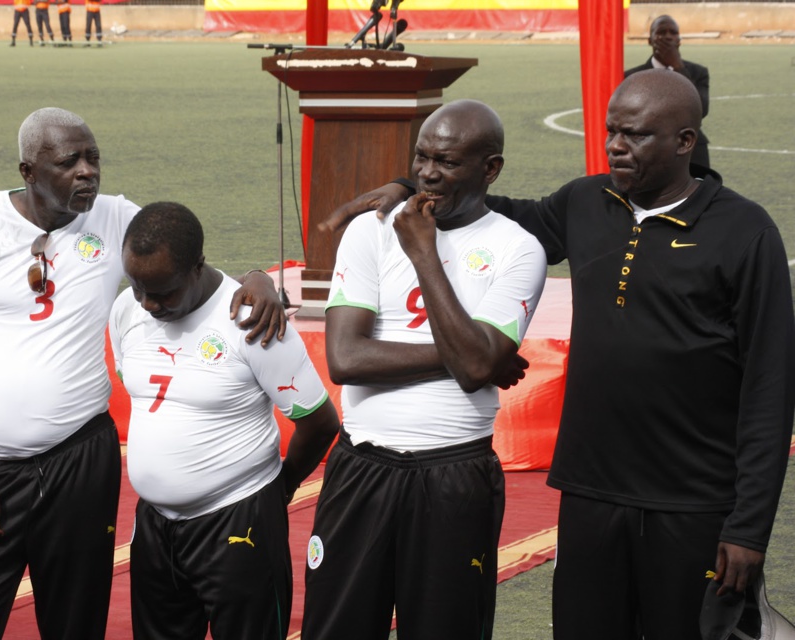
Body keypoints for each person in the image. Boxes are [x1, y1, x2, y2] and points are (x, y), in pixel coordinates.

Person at [323, 70, 795, 639]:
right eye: (611, 132)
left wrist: (748, 530)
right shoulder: (585, 202)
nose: (616, 146)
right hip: (590, 494)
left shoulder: (745, 232)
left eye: (636, 135)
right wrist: (409, 183)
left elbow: (770, 388)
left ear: (684, 142)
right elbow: (479, 205)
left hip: (693, 502)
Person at [0, 107, 286, 640]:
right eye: (69, 161)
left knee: (76, 624)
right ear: (28, 172)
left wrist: (257, 278)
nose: (87, 172)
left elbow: (188, 260)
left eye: (93, 158)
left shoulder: (114, 218)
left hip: (80, 464)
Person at [301, 100, 547, 640]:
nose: (428, 173)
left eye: (447, 161)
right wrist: (472, 356)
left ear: (491, 169)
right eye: (422, 157)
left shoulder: (518, 249)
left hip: (454, 473)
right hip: (361, 467)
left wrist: (424, 255)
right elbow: (347, 359)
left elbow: (478, 363)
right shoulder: (370, 230)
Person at [110, 201, 340, 640]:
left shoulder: (252, 320)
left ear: (197, 267)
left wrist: (281, 487)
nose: (148, 303)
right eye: (138, 287)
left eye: (162, 292)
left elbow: (320, 421)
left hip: (238, 520)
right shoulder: (126, 311)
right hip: (155, 527)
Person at [625, 14, 711, 168]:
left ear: (679, 40)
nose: (668, 37)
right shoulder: (632, 77)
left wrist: (678, 67)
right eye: (661, 32)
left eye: (673, 33)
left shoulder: (698, 72)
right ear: (650, 40)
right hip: (647, 151)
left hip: (691, 151)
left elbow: (701, 110)